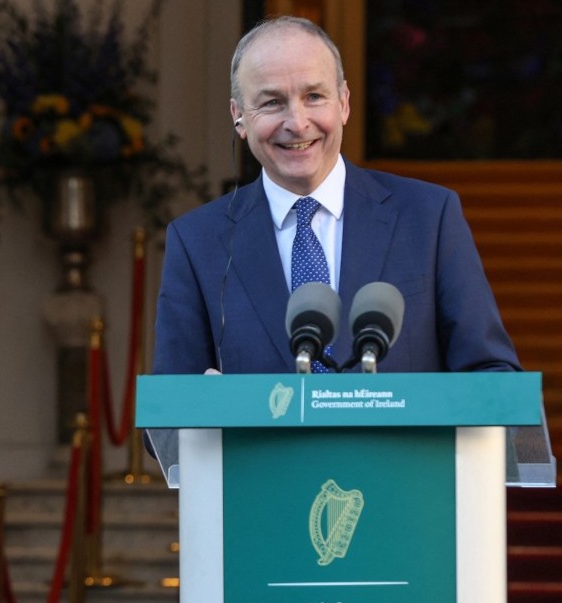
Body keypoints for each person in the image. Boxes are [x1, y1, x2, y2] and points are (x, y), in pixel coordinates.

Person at [152, 16, 520, 375]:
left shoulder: (429, 218)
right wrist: (206, 411)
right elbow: (168, 415)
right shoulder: (196, 243)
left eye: (314, 96)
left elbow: (491, 376)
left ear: (343, 102)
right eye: (272, 102)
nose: (296, 122)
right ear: (239, 118)